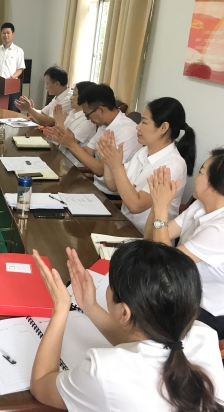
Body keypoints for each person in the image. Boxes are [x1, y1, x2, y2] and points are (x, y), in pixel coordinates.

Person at [30, 241, 224, 412]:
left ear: (124, 312)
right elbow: (146, 344)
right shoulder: (204, 335)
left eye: (110, 283)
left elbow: (40, 384)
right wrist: (90, 307)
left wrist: (61, 308)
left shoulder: (105, 372)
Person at [145, 151, 224, 338]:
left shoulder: (220, 230)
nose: (196, 178)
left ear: (213, 186)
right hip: (178, 290)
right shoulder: (201, 205)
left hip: (205, 311)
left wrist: (162, 208)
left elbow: (166, 264)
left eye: (201, 173)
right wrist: (157, 203)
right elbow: (150, 238)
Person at [97, 97, 196, 232]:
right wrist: (109, 161)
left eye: (144, 122)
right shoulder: (143, 151)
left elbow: (136, 206)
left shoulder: (173, 165)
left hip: (147, 237)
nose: (137, 126)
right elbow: (112, 186)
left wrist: (117, 166)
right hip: (124, 225)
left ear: (163, 127)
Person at [44, 83, 141, 199]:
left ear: (101, 110)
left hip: (112, 196)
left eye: (87, 115)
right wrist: (68, 142)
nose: (88, 119)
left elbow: (100, 170)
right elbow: (87, 153)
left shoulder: (126, 131)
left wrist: (72, 145)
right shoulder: (104, 125)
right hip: (94, 186)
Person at [51, 81, 97, 166]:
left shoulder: (87, 121)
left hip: (72, 166)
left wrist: (59, 123)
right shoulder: (73, 112)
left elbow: (68, 145)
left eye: (74, 95)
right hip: (61, 158)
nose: (71, 98)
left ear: (84, 98)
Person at [0, 22, 25, 112]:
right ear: (1, 34)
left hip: (12, 86)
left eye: (8, 33)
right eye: (4, 33)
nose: (6, 35)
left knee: (12, 111)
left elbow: (20, 69)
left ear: (13, 34)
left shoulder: (18, 51)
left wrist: (11, 78)